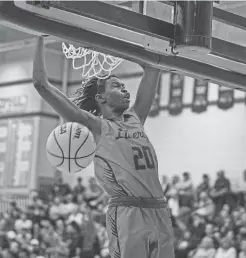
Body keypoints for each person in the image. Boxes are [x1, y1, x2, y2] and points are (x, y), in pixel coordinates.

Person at [33, 37, 174, 258]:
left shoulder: (135, 118)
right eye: (117, 86)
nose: (126, 90)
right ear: (101, 98)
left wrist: (125, 45)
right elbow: (41, 84)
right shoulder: (97, 127)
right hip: (129, 212)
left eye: (124, 86)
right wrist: (40, 36)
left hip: (160, 209)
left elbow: (153, 68)